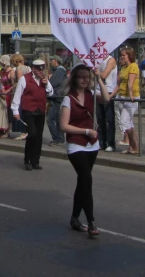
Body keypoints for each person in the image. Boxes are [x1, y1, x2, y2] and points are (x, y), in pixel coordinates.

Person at [59, 64, 110, 238]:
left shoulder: (91, 95)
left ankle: (74, 218)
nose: (84, 79)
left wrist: (98, 79)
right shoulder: (69, 99)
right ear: (74, 78)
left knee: (83, 182)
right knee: (87, 180)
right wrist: (85, 131)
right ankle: (91, 221)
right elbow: (63, 126)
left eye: (87, 77)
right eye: (81, 76)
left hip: (92, 145)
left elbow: (107, 98)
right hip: (76, 145)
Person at [11, 60, 54, 171]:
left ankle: (36, 161)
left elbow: (51, 92)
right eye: (38, 69)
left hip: (40, 110)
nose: (40, 71)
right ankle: (27, 159)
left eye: (42, 69)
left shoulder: (44, 79)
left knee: (39, 136)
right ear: (33, 68)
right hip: (29, 110)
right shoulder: (24, 79)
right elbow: (18, 95)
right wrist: (15, 111)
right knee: (32, 134)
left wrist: (46, 84)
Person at [111, 48, 140, 155]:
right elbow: (118, 85)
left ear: (130, 56)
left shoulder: (133, 66)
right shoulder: (123, 68)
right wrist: (111, 95)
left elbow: (130, 83)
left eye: (124, 55)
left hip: (130, 99)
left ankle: (135, 146)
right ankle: (133, 146)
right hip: (121, 97)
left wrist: (131, 94)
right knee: (129, 123)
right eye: (121, 55)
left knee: (124, 121)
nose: (122, 57)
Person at [95, 54, 117, 152]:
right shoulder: (97, 60)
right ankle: (101, 142)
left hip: (108, 91)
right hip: (98, 91)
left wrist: (97, 73)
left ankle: (111, 143)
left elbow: (104, 75)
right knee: (100, 119)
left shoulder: (110, 60)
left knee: (109, 119)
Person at [47, 55, 67, 146]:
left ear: (55, 61)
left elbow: (53, 83)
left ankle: (56, 138)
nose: (50, 62)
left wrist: (47, 81)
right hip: (58, 97)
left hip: (55, 97)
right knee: (58, 119)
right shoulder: (60, 71)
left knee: (50, 119)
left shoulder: (59, 71)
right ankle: (60, 138)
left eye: (51, 60)